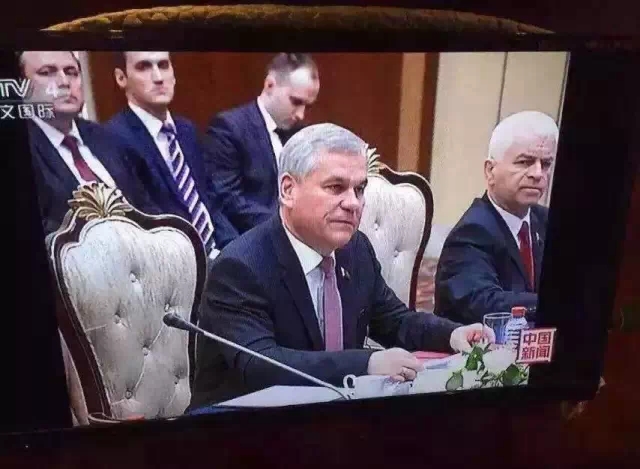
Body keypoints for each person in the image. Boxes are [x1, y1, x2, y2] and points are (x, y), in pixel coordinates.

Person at [189, 123, 493, 408]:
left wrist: (451, 334)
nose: (353, 203)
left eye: (359, 189)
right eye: (336, 187)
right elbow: (261, 365)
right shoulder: (241, 267)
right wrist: (366, 364)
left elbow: (394, 321)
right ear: (288, 190)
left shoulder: (355, 249)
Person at [105, 51, 238, 255]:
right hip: (175, 259)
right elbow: (146, 220)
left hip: (217, 253)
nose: (158, 77)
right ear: (121, 78)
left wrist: (233, 249)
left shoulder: (186, 129)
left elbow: (210, 201)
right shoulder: (114, 139)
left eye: (163, 65)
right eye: (144, 67)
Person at [434, 110, 559, 325]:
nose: (538, 174)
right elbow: (486, 303)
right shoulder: (471, 232)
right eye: (525, 162)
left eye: (546, 164)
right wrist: (561, 303)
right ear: (490, 171)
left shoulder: (545, 220)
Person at [21, 51, 156, 236]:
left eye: (72, 72)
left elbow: (147, 208)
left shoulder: (108, 138)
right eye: (47, 72)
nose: (64, 82)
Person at [202, 53, 320, 235]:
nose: (300, 115)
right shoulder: (229, 127)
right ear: (270, 85)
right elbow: (227, 198)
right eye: (296, 102)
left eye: (307, 106)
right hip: (249, 238)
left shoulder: (301, 133)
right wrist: (286, 225)